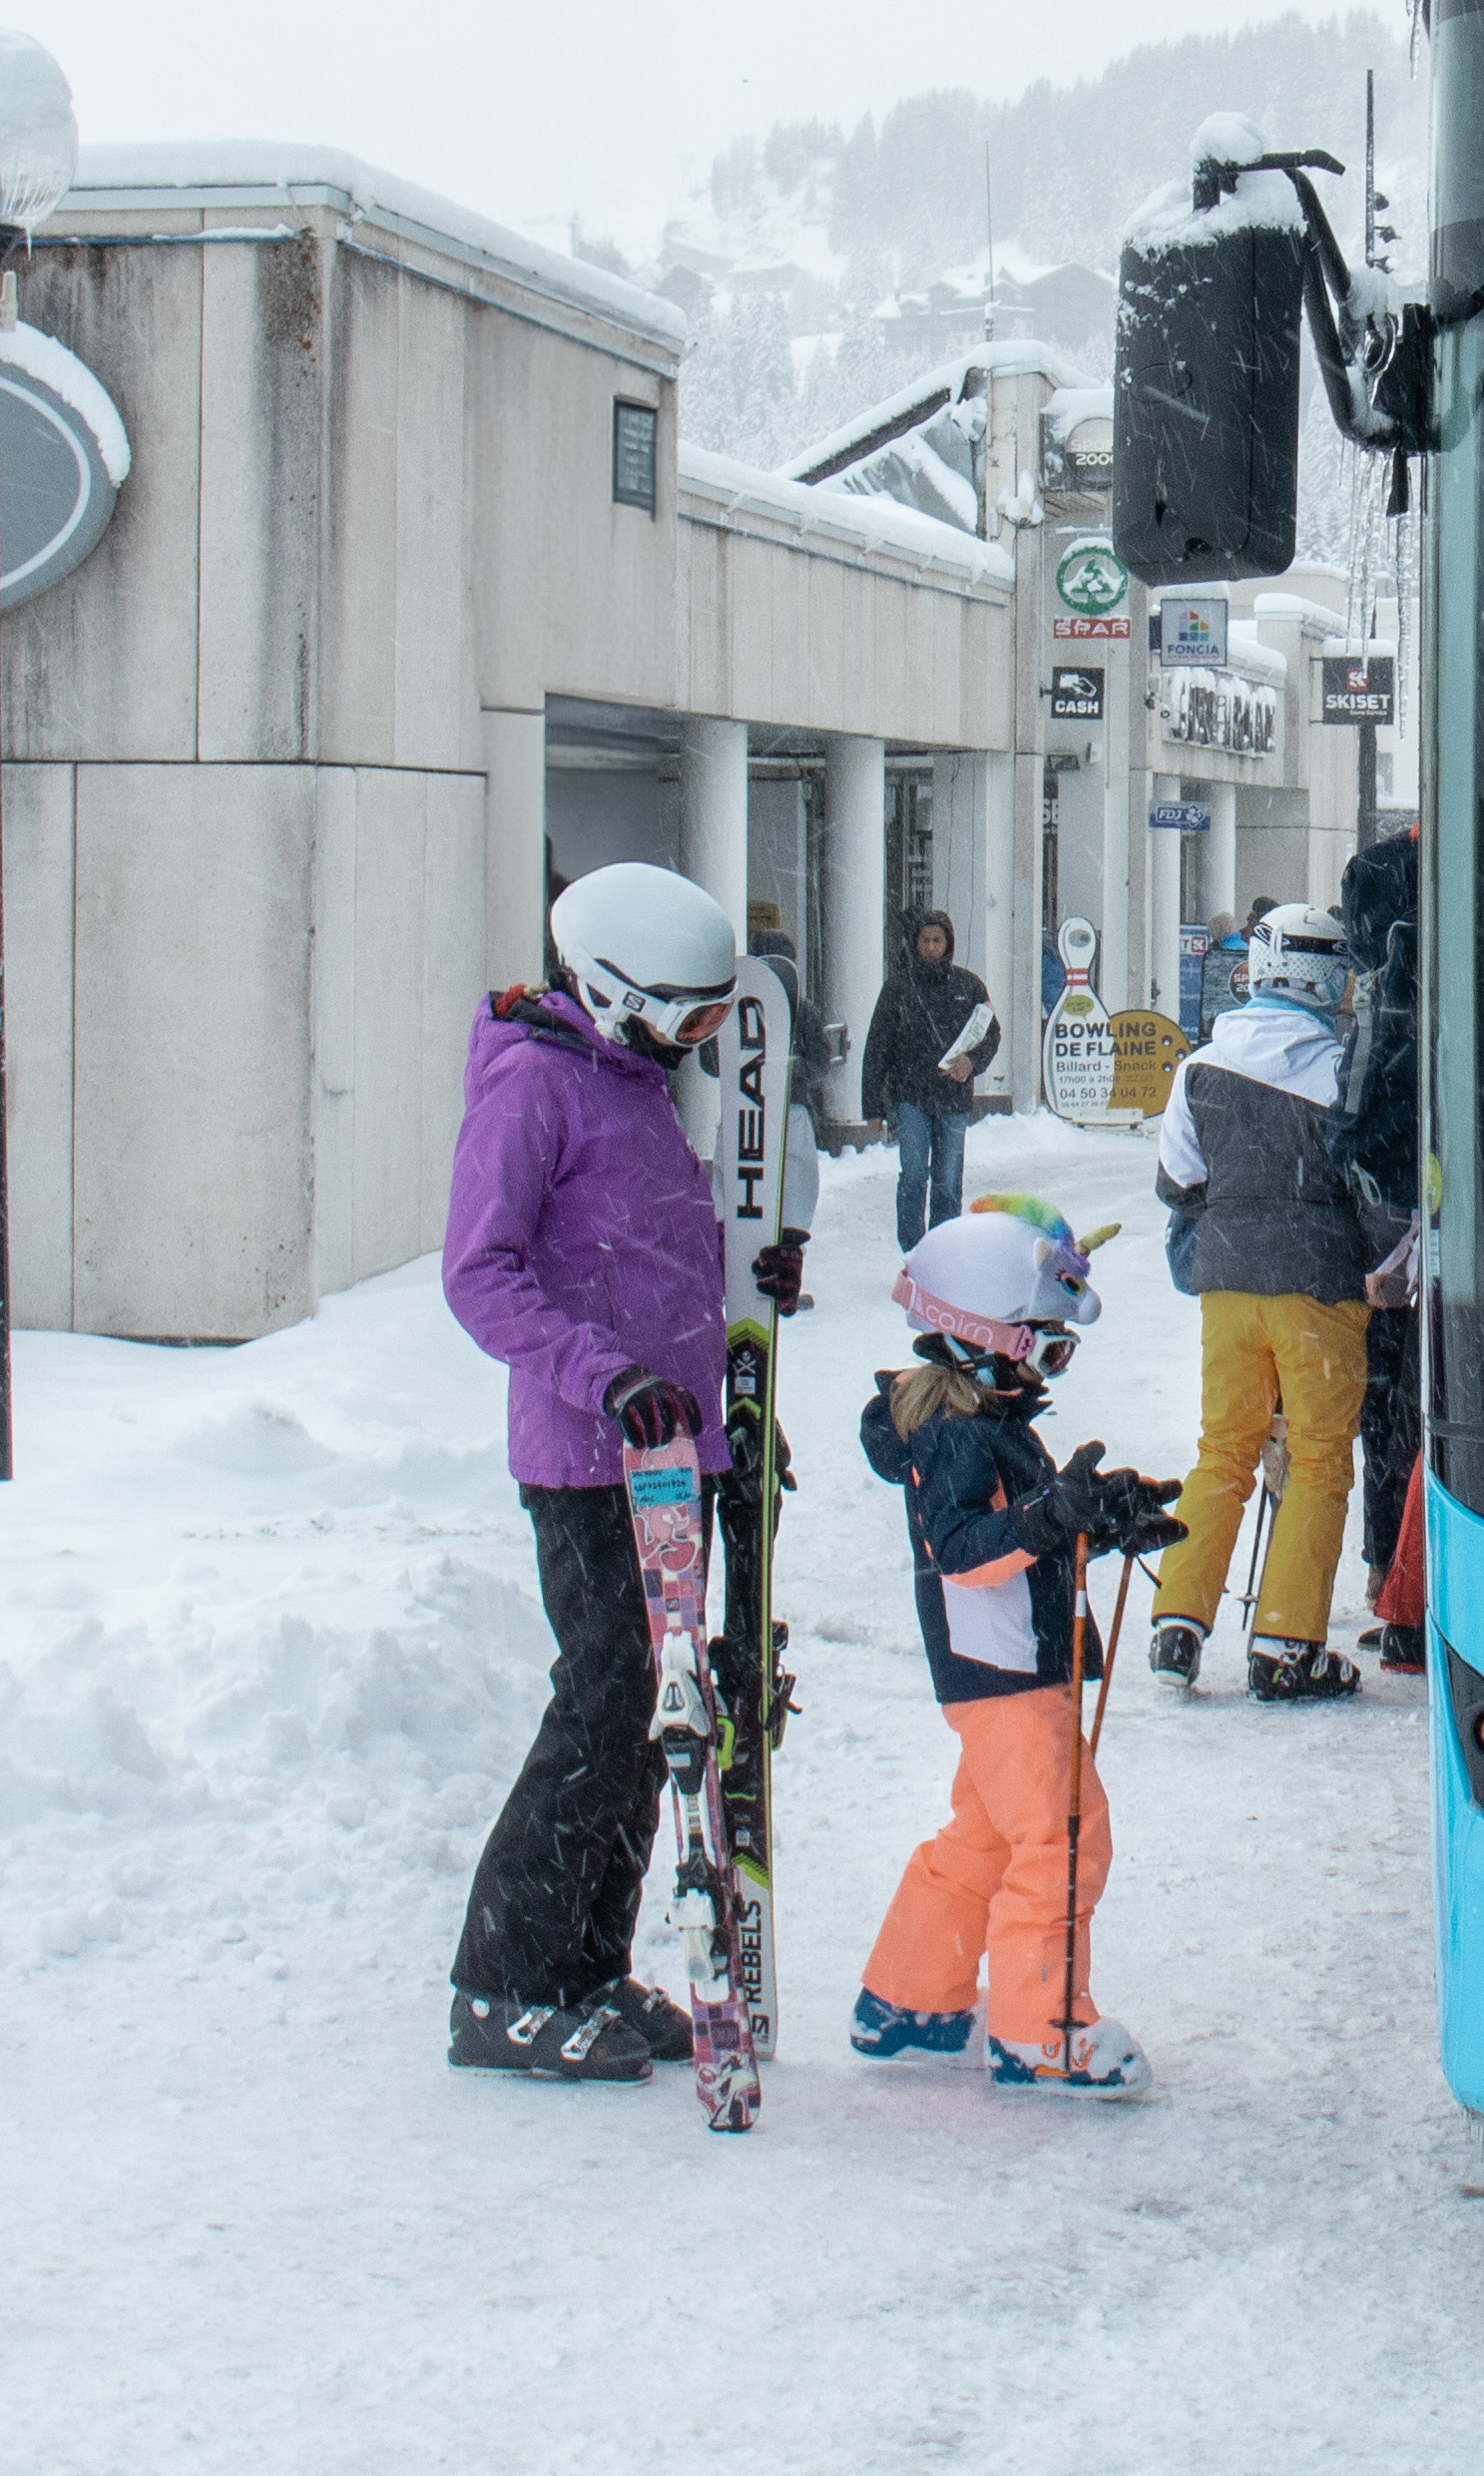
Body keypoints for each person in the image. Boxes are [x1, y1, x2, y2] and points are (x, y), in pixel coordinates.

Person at [437, 860, 805, 2084]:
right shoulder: (535, 1085)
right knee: (601, 1709)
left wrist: (751, 1282)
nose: (703, 1040)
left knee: (662, 1722)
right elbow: (479, 1275)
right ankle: (503, 1984)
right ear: (613, 989)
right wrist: (603, 1375)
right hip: (588, 1460)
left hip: (668, 1452)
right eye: (690, 1017)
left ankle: (589, 1962)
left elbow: (649, 1248)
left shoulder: (631, 1082)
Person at [853, 1210, 1183, 2095]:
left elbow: (1030, 1530)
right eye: (1049, 1349)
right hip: (1004, 1672)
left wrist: (1104, 1515)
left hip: (1011, 1667)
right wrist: (1050, 1519)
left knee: (991, 1837)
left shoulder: (986, 1418)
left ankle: (908, 1999)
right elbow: (965, 1551)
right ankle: (1042, 2031)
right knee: (1064, 1839)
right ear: (983, 1336)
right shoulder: (957, 1432)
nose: (1052, 1367)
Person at [1144, 901, 1409, 1701]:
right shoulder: (1339, 1070)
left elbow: (1176, 1182)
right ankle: (1287, 1644)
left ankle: (1177, 1624)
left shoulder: (1198, 1069)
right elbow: (1377, 1196)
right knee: (1321, 1461)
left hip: (1227, 1291)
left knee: (1224, 1449)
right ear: (1327, 977)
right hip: (1320, 1293)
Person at [1333, 818, 1429, 1667]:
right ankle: (1399, 1584)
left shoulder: (1385, 1000)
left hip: (1390, 1211)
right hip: (1423, 1212)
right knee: (1414, 1409)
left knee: (1390, 1405)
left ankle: (1388, 1576)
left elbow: (1359, 1108)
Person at [862, 904, 999, 1246]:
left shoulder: (969, 986)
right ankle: (913, 1251)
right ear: (915, 943)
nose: (932, 947)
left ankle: (944, 1248)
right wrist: (873, 1107)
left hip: (953, 1099)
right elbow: (877, 1045)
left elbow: (991, 1033)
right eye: (925, 940)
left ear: (948, 943)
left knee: (949, 1179)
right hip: (910, 1097)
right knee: (912, 1176)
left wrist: (972, 1063)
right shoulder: (898, 989)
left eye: (938, 940)